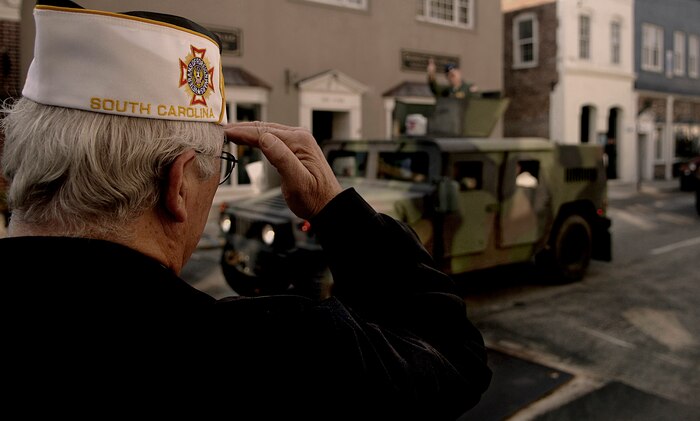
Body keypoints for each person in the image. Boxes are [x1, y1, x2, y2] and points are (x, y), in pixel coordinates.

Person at [1, 1, 491, 418]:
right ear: (178, 186)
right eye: (219, 169)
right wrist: (337, 211)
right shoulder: (271, 359)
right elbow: (455, 356)